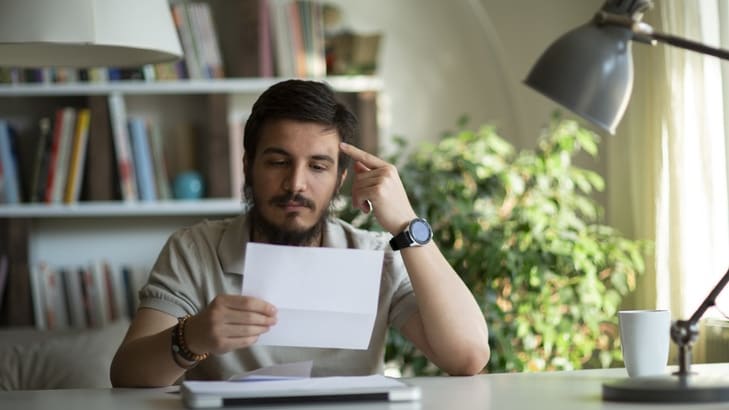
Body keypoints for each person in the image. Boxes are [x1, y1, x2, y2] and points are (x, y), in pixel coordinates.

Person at [110, 79, 490, 387]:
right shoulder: (194, 249)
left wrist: (407, 224)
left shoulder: (376, 256)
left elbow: (468, 356)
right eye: (278, 162)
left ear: (342, 177)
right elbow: (127, 376)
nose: (295, 184)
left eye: (318, 167)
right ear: (248, 166)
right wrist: (192, 337)